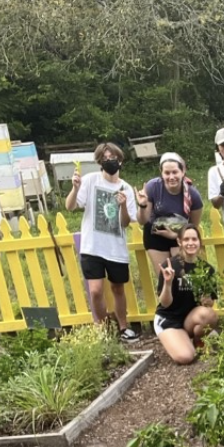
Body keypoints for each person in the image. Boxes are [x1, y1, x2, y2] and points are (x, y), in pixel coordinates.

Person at [65, 142, 139, 341]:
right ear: (100, 162)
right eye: (105, 159)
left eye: (112, 157)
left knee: (118, 288)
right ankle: (103, 328)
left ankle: (123, 327)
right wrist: (74, 188)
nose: (109, 161)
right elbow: (70, 206)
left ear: (120, 160)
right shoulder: (90, 181)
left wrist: (123, 206)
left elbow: (125, 223)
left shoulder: (126, 188)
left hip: (116, 249)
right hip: (92, 248)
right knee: (96, 291)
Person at [153, 224, 219, 365]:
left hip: (189, 319)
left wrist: (206, 299)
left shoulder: (207, 269)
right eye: (186, 239)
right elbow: (165, 303)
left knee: (210, 315)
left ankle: (197, 340)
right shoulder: (170, 266)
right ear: (179, 242)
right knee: (186, 357)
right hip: (169, 318)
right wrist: (168, 282)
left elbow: (210, 305)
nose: (190, 243)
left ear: (199, 242)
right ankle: (177, 339)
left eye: (194, 239)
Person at [136, 153, 204, 277]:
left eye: (175, 172)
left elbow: (193, 227)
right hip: (155, 235)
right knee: (165, 277)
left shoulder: (193, 195)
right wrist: (142, 205)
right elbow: (142, 220)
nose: (171, 177)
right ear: (161, 173)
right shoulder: (153, 187)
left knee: (182, 277)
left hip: (178, 235)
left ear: (183, 171)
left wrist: (175, 236)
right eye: (167, 173)